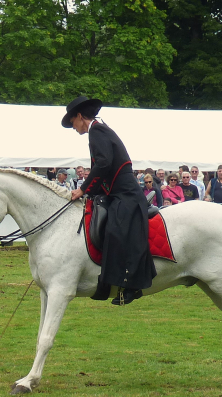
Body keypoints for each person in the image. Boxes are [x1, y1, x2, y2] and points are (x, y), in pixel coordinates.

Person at [63, 95, 156, 305]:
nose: (74, 128)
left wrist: (83, 189)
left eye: (73, 123)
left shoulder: (97, 130)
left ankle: (132, 284)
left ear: (79, 116)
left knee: (117, 229)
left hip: (125, 193)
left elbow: (104, 164)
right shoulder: (98, 130)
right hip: (115, 191)